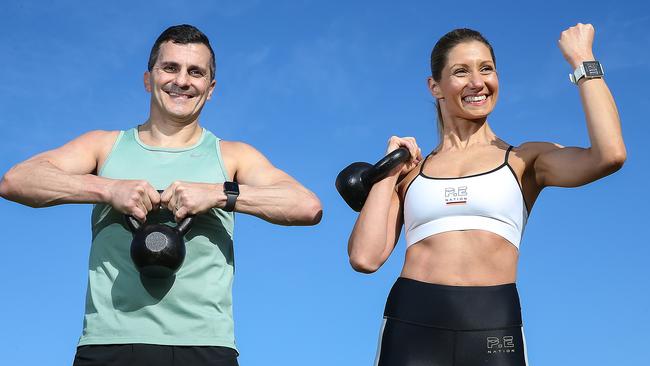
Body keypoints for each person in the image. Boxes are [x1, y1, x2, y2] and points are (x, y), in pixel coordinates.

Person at [0, 24, 322, 366]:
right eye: (170, 68)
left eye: (195, 72)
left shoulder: (232, 156)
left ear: (210, 89)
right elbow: (16, 180)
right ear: (147, 79)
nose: (182, 81)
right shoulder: (103, 146)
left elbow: (306, 205)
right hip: (110, 342)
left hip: (206, 346)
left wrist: (217, 193)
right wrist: (108, 188)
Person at [346, 24, 625, 366]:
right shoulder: (410, 174)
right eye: (461, 72)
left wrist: (583, 61)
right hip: (411, 324)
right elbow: (365, 257)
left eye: (486, 69)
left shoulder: (525, 160)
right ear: (435, 86)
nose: (477, 82)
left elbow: (609, 155)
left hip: (494, 322)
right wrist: (388, 174)